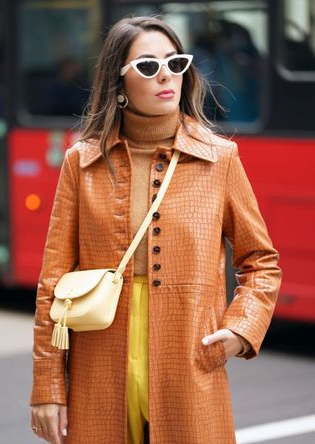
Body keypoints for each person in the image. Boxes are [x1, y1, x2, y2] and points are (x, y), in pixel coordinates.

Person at [30, 16, 282, 444]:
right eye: (148, 66)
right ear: (119, 82)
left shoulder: (219, 159)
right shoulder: (82, 162)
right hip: (99, 365)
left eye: (175, 63)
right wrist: (48, 388)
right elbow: (53, 283)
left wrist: (242, 328)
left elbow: (261, 261)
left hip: (189, 358)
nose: (166, 75)